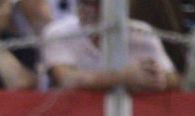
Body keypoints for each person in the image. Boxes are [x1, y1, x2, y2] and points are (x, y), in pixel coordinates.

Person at [42, 0, 180, 91]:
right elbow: (66, 79)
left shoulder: (142, 32)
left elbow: (174, 79)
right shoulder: (59, 32)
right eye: (82, 3)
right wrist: (124, 78)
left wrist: (159, 78)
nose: (86, 10)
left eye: (96, 4)